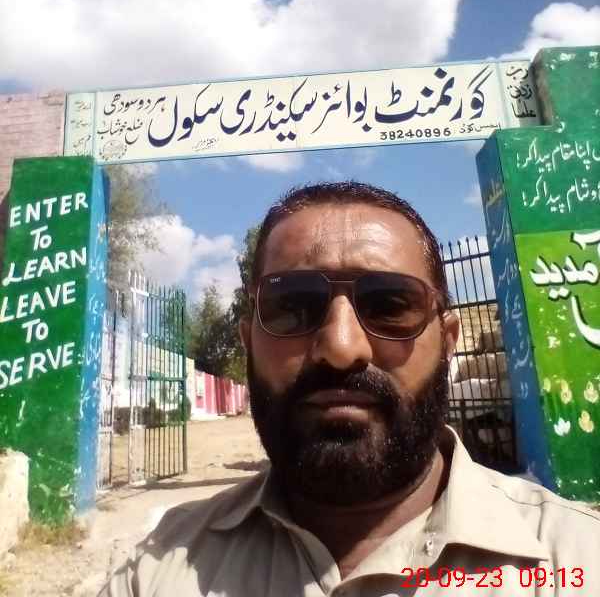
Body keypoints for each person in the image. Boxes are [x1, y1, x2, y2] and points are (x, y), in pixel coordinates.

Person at [100, 181, 600, 596]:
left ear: (447, 341)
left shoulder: (576, 561)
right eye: (293, 306)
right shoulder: (156, 574)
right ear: (249, 341)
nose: (341, 348)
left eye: (390, 305)